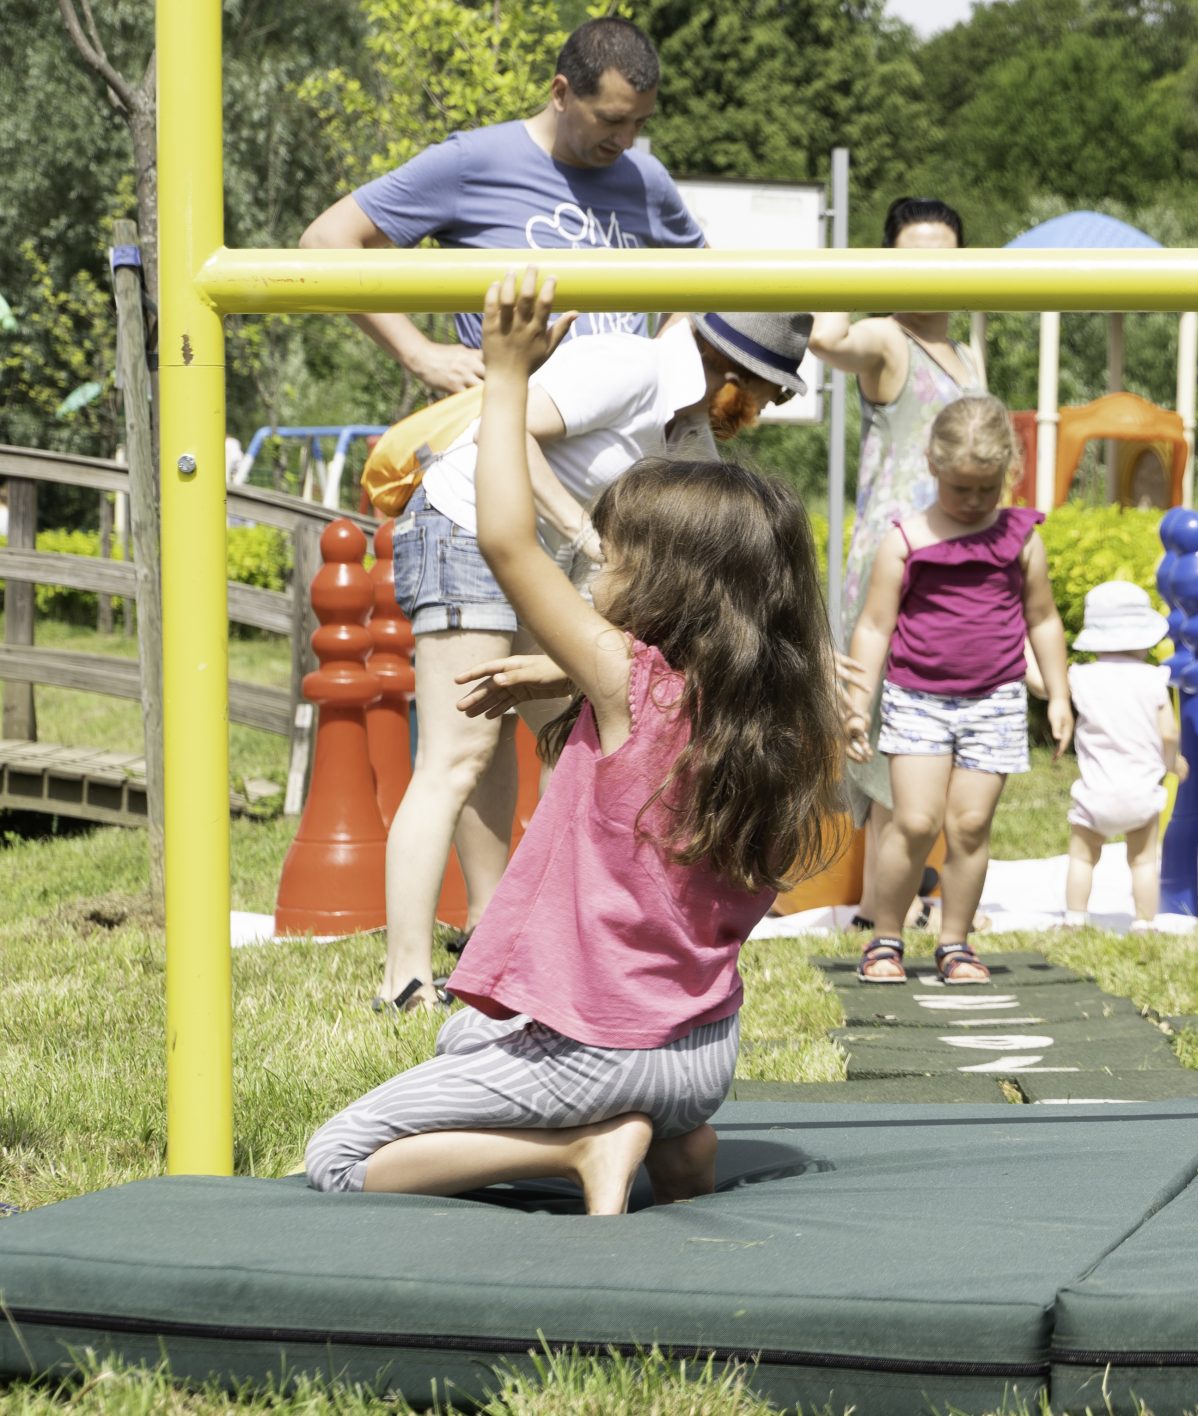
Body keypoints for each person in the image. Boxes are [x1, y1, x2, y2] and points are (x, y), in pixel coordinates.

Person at [304, 270, 841, 1214]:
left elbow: (508, 540)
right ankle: (677, 1143)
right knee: (465, 1043)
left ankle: (589, 1149)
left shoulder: (626, 683)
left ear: (667, 585)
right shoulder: (778, 709)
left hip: (599, 1056)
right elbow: (687, 679)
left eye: (617, 558)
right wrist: (560, 675)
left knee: (339, 1157)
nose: (595, 572)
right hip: (703, 1056)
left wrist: (505, 376)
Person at [373, 309, 808, 1012]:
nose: (759, 413)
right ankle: (405, 980)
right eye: (764, 394)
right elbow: (500, 429)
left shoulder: (693, 440)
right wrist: (581, 530)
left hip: (554, 565)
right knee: (458, 754)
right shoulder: (629, 366)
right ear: (730, 372)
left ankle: (498, 937)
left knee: (570, 730)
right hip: (463, 523)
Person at [298, 16, 703, 395]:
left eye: (640, 123)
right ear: (561, 93)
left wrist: (661, 368)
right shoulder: (471, 162)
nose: (627, 140)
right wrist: (419, 354)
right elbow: (325, 240)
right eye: (612, 121)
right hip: (512, 433)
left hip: (625, 448)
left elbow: (701, 273)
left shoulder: (646, 179)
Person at [842, 395, 1072, 985]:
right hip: (917, 700)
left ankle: (955, 942)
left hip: (994, 701)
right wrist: (856, 704)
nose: (972, 503)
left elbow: (1042, 619)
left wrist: (1060, 693)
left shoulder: (1021, 540)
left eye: (986, 489)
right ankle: (886, 938)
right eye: (960, 489)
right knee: (915, 822)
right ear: (932, 466)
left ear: (1007, 475)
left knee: (969, 826)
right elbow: (874, 627)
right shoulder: (907, 541)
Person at [809, 197, 985, 935]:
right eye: (913, 256)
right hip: (894, 568)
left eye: (944, 255)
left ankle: (906, 893)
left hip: (956, 568)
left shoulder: (970, 352)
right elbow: (824, 338)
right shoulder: (886, 338)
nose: (930, 272)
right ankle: (884, 913)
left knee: (936, 735)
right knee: (886, 744)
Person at [1060, 581, 1183, 930]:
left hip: (1096, 792)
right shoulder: (1153, 678)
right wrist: (1172, 762)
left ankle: (1075, 918)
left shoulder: (1082, 677)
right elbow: (1169, 732)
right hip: (1140, 792)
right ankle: (1145, 923)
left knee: (1083, 858)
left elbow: (1045, 686)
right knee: (1142, 861)